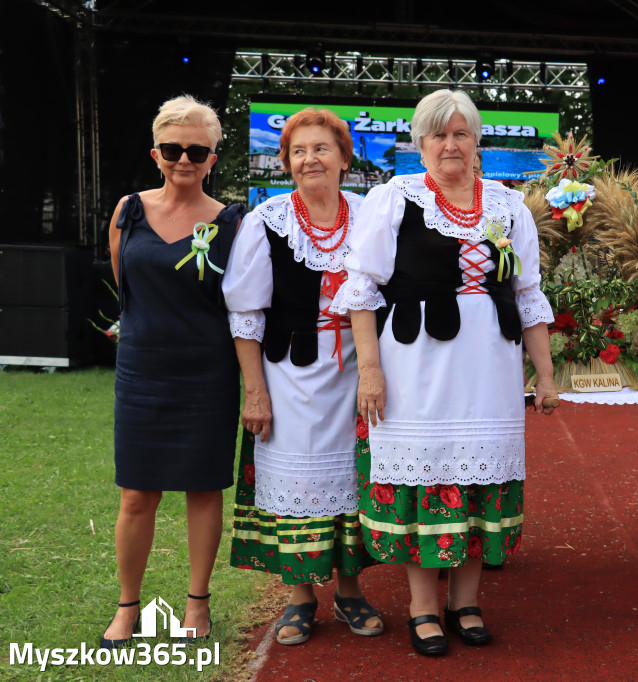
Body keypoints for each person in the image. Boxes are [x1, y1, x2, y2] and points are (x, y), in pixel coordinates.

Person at [331, 88, 558, 656]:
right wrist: (371, 373)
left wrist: (546, 375)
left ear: (477, 140)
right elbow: (361, 290)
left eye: (460, 133)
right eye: (438, 135)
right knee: (425, 474)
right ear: (421, 144)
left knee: (479, 479)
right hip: (416, 363)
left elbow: (528, 295)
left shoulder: (507, 206)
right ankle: (422, 608)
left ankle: (467, 601)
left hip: (489, 366)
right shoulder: (393, 199)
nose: (450, 144)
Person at [222, 107, 383, 645]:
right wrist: (255, 392)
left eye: (321, 148)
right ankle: (299, 597)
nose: (309, 158)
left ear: (344, 158)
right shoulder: (268, 219)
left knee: (358, 480)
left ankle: (352, 591)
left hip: (364, 368)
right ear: (287, 162)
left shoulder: (370, 214)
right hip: (289, 373)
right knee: (301, 481)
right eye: (298, 151)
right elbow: (245, 315)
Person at [102, 95, 245, 649]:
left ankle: (197, 604)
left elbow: (240, 302)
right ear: (155, 153)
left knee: (204, 490)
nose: (183, 159)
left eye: (196, 150)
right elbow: (127, 288)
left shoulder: (234, 222)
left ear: (212, 157)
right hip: (141, 372)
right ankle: (127, 607)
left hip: (208, 375)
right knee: (136, 495)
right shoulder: (127, 211)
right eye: (172, 148)